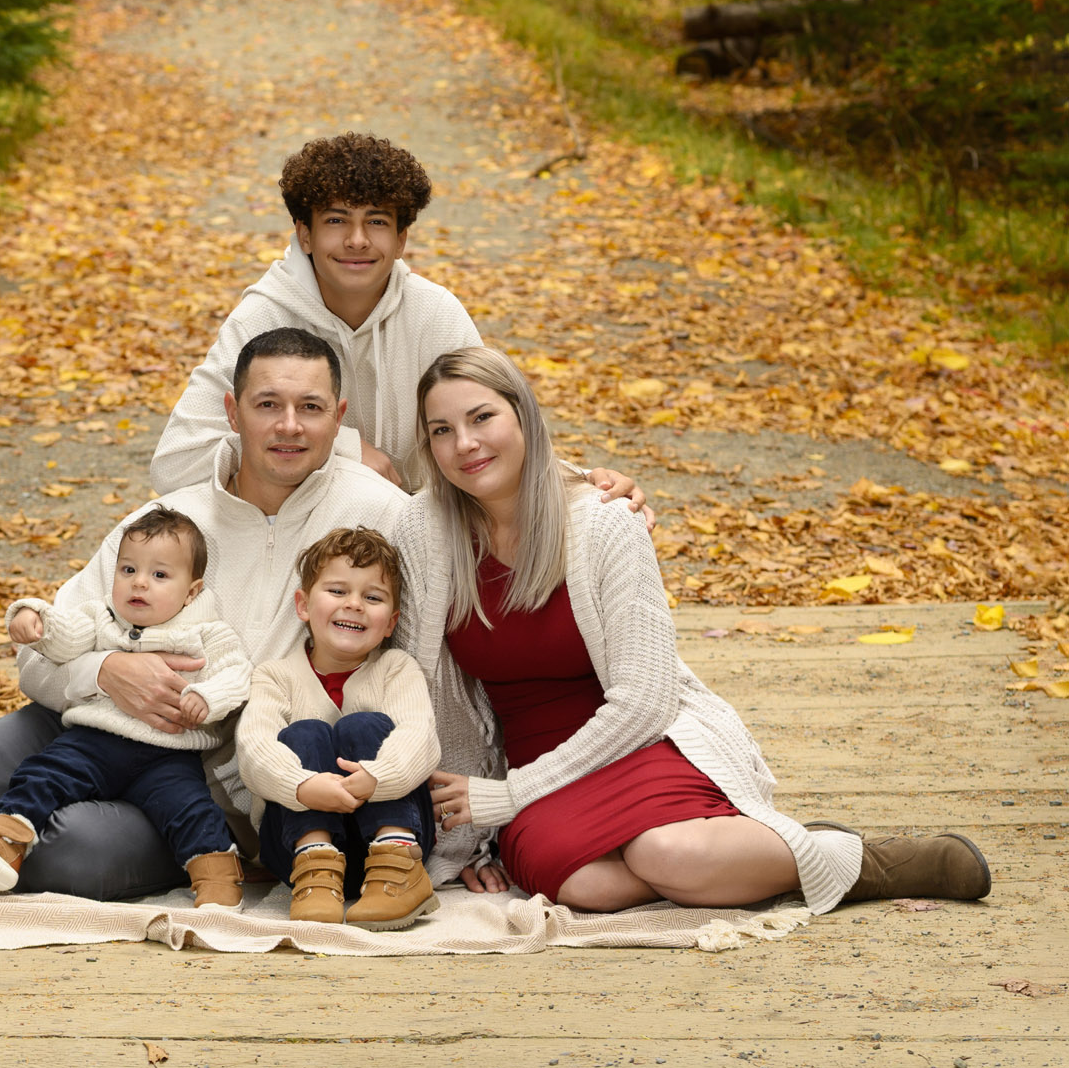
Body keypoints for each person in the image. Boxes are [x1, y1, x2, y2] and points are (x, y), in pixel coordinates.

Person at [0, 329, 648, 899]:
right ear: (233, 410)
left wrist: (597, 488)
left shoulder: (390, 517)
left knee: (85, 861)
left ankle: (22, 835)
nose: (287, 424)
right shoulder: (168, 519)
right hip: (77, 725)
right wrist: (98, 672)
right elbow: (46, 651)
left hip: (207, 783)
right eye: (266, 403)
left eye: (309, 406)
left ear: (339, 418)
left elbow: (476, 553)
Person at [397, 345, 993, 913]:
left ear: (523, 416)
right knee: (586, 887)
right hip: (533, 764)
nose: (465, 443)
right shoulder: (425, 536)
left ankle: (862, 862)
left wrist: (508, 797)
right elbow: (424, 697)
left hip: (638, 742)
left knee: (668, 853)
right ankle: (761, 853)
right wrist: (477, 833)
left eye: (482, 418)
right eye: (441, 430)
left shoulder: (605, 524)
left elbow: (645, 703)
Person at [0, 507, 249, 907]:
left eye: (160, 575)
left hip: (169, 754)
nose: (140, 584)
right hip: (95, 741)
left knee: (190, 809)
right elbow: (67, 638)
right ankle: (5, 839)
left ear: (191, 591)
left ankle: (217, 877)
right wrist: (37, 621)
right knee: (44, 772)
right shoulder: (102, 618)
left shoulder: (207, 634)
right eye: (128, 570)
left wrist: (206, 697)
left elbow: (237, 675)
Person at [151, 132, 481, 492]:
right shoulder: (262, 319)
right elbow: (176, 464)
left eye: (377, 221)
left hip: (420, 524)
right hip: (300, 533)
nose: (357, 240)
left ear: (401, 239)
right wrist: (338, 448)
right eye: (337, 221)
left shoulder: (436, 315)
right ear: (305, 234)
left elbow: (492, 433)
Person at [238, 525, 440, 930]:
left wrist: (377, 778)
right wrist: (301, 786)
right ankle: (316, 866)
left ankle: (397, 867)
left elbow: (420, 737)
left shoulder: (395, 668)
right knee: (304, 733)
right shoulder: (275, 676)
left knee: (364, 725)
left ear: (390, 622)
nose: (354, 605)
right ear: (303, 605)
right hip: (297, 851)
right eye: (337, 591)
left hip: (389, 842)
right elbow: (253, 746)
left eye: (373, 597)